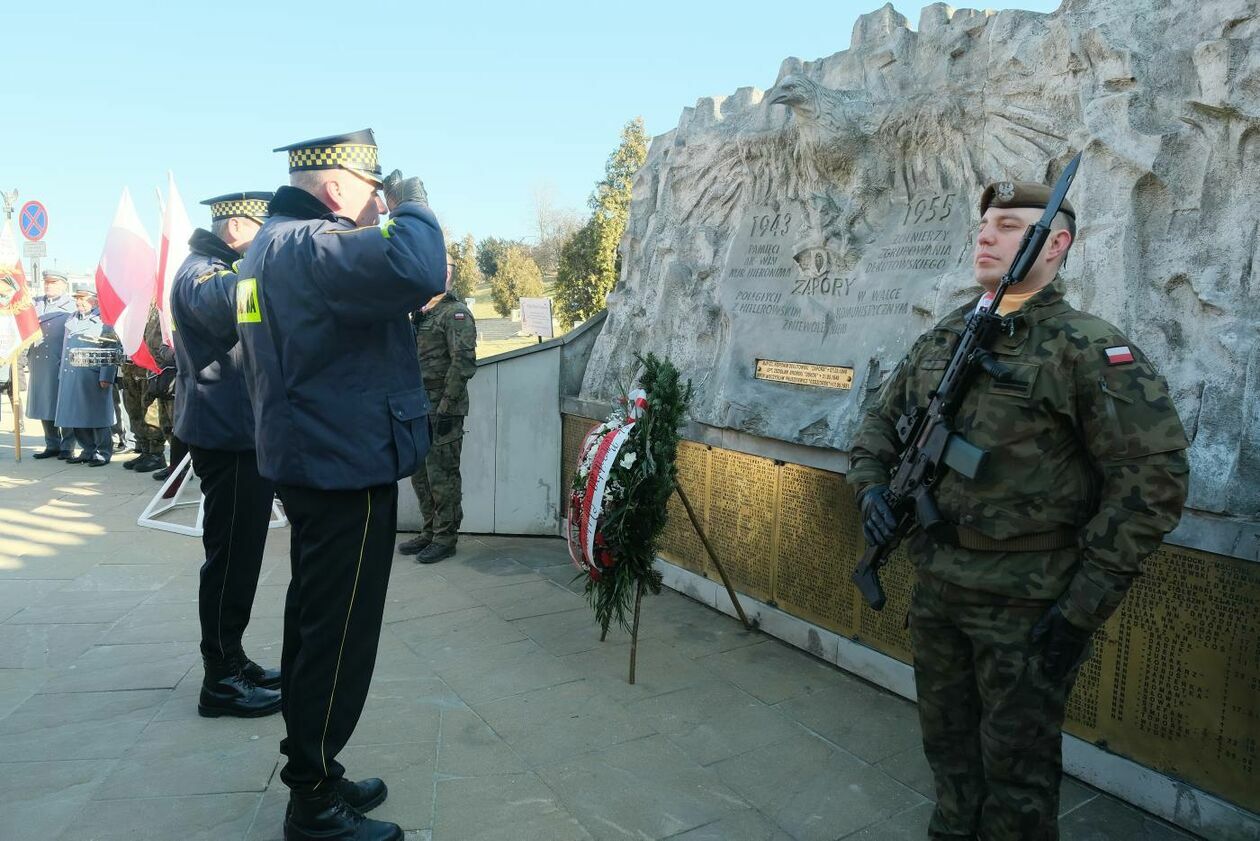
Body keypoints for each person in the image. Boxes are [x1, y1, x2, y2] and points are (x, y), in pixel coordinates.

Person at [848, 180, 1190, 841]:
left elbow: (1154, 481)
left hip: (1030, 604)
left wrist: (1081, 606)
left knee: (1018, 774)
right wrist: (869, 489)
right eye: (985, 225)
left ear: (1055, 244)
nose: (986, 235)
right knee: (947, 749)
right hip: (939, 587)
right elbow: (879, 424)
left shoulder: (1086, 348)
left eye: (1009, 225)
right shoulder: (944, 336)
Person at [178, 129, 445, 841]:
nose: (377, 202)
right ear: (337, 188)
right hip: (342, 462)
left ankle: (316, 766)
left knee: (315, 624)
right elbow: (419, 260)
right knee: (338, 635)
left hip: (317, 457)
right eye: (372, 187)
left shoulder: (270, 246)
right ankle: (313, 801)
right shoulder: (310, 242)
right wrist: (414, 201)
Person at [170, 191, 282, 719]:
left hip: (241, 433)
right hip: (227, 436)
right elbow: (227, 304)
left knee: (242, 557)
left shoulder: (221, 268)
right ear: (237, 227)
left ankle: (234, 660)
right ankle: (221, 678)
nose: (268, 243)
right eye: (264, 232)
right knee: (230, 559)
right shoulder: (202, 274)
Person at [398, 260, 476, 563]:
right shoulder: (419, 312)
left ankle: (445, 537)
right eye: (436, 265)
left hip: (443, 408)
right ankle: (429, 531)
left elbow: (463, 363)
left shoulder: (455, 314)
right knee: (420, 475)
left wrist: (445, 407)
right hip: (417, 408)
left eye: (448, 267)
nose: (443, 272)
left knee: (442, 476)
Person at [53, 291, 119, 466]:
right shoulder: (72, 319)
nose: (79, 302)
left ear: (95, 301)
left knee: (97, 417)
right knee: (76, 416)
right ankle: (87, 450)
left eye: (83, 299)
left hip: (92, 375)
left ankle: (103, 452)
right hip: (71, 374)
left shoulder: (105, 320)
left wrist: (107, 376)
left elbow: (110, 349)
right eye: (77, 299)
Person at [25, 271, 77, 459]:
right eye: (46, 283)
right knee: (44, 403)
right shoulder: (34, 304)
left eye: (53, 283)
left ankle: (67, 445)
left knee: (63, 404)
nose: (48, 286)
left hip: (60, 361)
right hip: (39, 362)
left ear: (63, 285)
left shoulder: (71, 306)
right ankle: (51, 443)